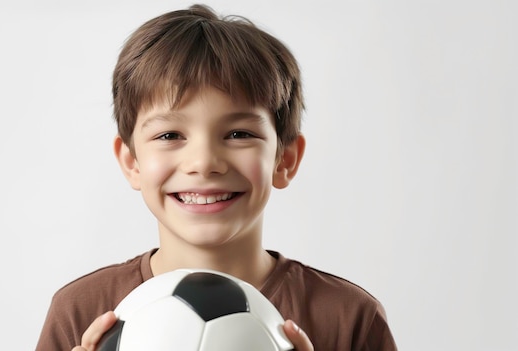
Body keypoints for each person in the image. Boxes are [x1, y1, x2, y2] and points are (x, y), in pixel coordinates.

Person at [36, 4, 397, 351]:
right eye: (169, 136)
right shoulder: (81, 311)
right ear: (132, 162)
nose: (204, 162)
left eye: (239, 134)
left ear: (284, 159)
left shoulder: (349, 318)